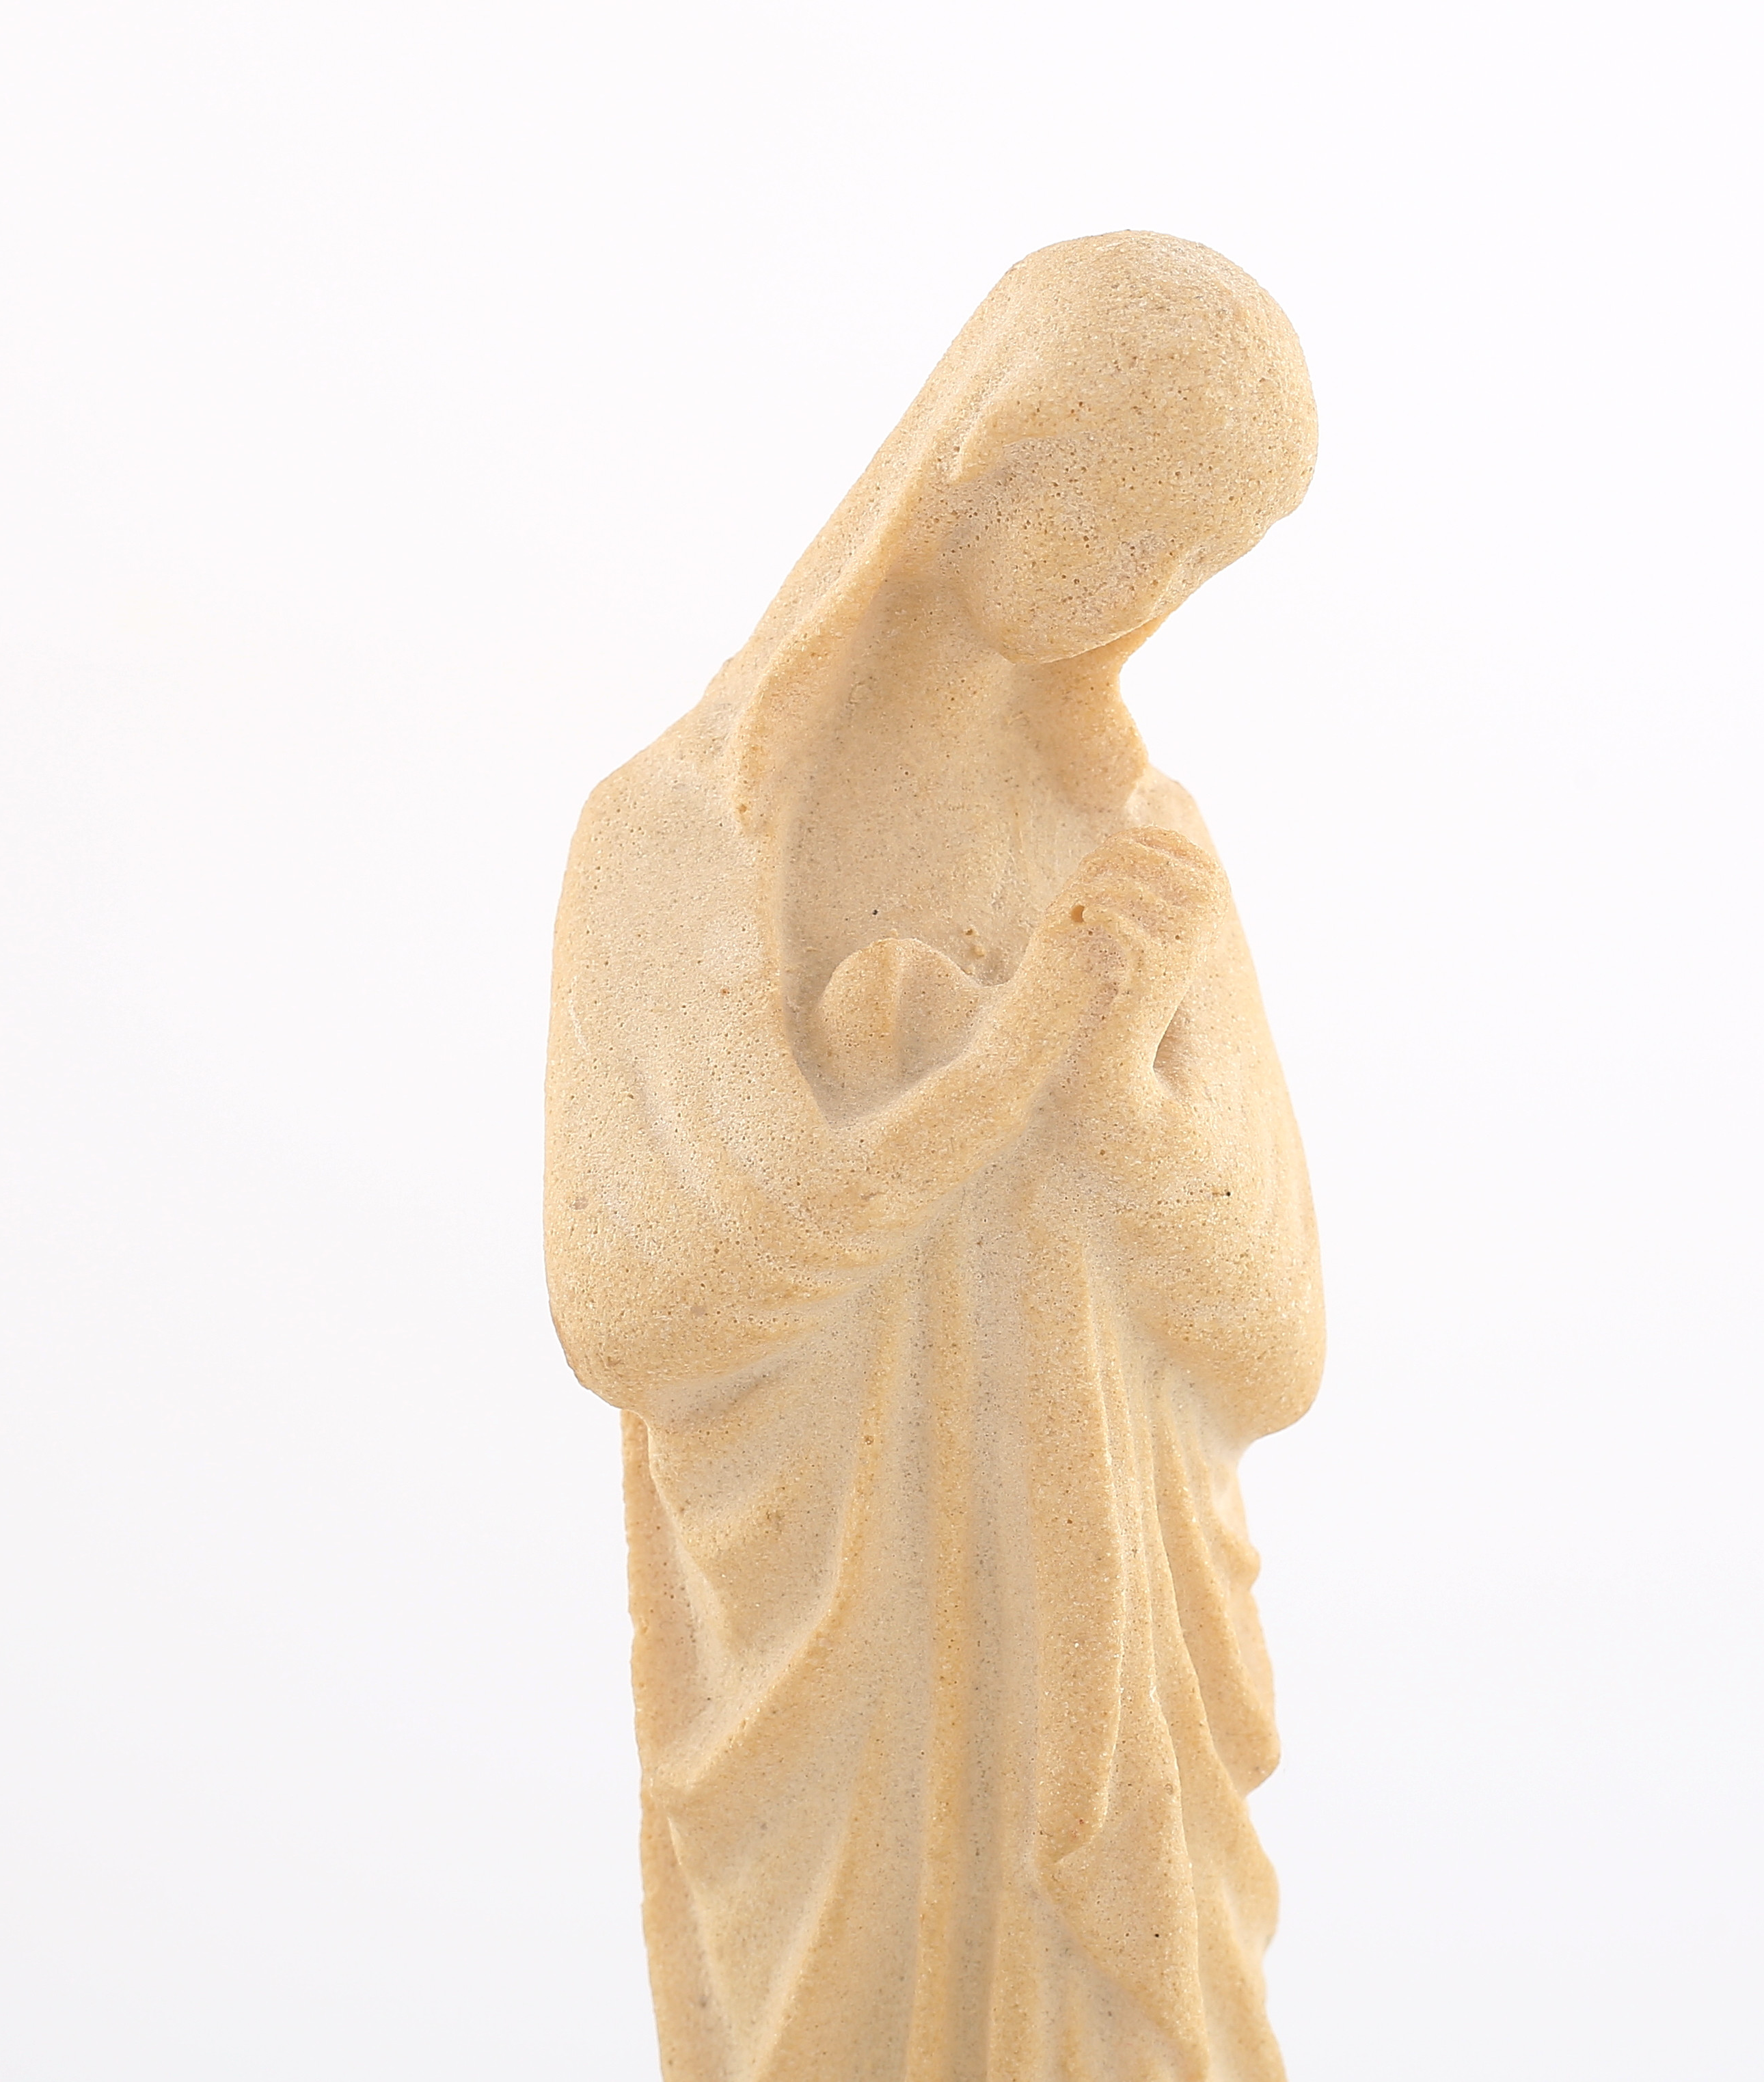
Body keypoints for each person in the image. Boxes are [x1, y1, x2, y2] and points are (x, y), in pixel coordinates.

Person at [545, 230, 1324, 2082]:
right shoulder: (686, 842)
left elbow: (1279, 1346)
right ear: (986, 452)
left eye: (1200, 561)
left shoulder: (1145, 848)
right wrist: (1003, 1066)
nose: (1147, 594)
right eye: (1122, 525)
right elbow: (637, 1310)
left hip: (1119, 1648)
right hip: (845, 1641)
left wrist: (1122, 1107)